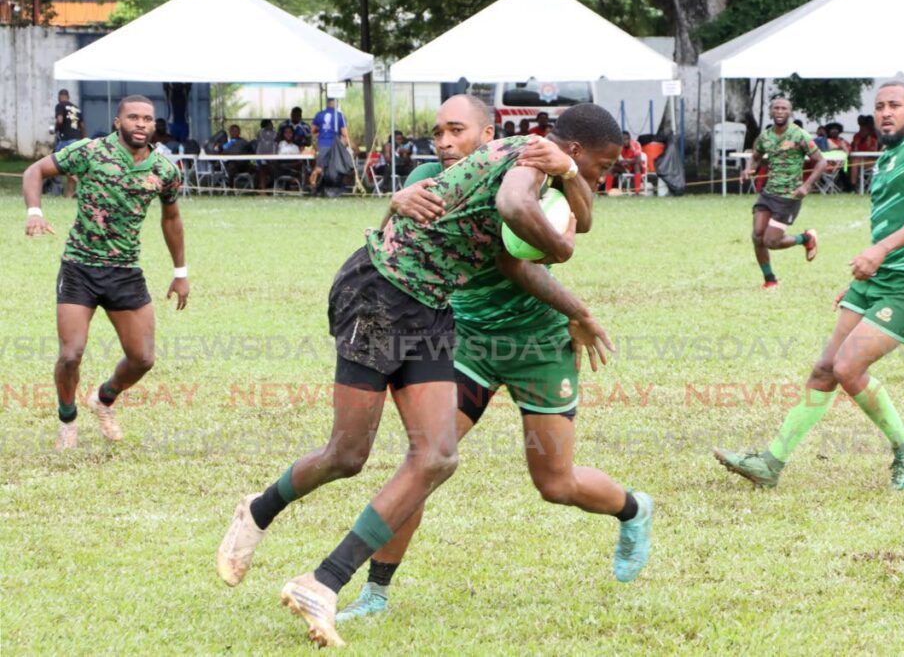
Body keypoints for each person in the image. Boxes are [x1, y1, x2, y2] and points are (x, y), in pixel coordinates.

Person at [214, 103, 624, 648]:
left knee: (438, 457)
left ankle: (322, 582)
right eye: (602, 164)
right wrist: (562, 245)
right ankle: (258, 510)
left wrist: (573, 179)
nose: (606, 173)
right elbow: (512, 203)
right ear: (572, 148)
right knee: (347, 455)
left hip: (430, 307)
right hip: (379, 293)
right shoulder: (526, 156)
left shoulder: (555, 166)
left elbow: (585, 217)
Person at [336, 97, 651, 623]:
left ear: (487, 136)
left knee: (555, 483)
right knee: (424, 466)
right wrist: (394, 201)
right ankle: (374, 595)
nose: (444, 141)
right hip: (468, 340)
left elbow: (529, 256)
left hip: (538, 344)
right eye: (439, 131)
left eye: (455, 130)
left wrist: (571, 179)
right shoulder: (431, 176)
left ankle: (634, 509)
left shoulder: (540, 179)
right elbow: (397, 242)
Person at [714, 81, 904, 492]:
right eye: (879, 106)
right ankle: (771, 463)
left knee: (847, 367)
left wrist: (879, 251)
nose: (886, 112)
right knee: (824, 369)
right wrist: (866, 271)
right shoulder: (889, 156)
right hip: (878, 278)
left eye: (895, 105)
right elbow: (892, 220)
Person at [22, 94, 188, 451]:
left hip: (125, 272)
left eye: (147, 118)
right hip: (80, 267)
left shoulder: (164, 170)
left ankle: (103, 399)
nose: (141, 124)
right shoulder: (90, 151)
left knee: (143, 359)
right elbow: (34, 171)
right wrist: (34, 211)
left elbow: (171, 218)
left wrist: (181, 271)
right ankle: (68, 420)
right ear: (118, 122)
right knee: (71, 354)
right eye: (133, 117)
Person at [740, 98, 827, 289]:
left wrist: (806, 186)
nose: (780, 111)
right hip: (768, 193)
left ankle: (805, 239)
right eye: (776, 108)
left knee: (771, 241)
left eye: (784, 108)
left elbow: (821, 162)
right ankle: (770, 280)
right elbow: (755, 156)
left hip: (789, 197)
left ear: (790, 112)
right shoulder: (765, 137)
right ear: (771, 112)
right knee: (757, 236)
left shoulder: (799, 135)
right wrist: (749, 169)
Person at [54, 89, 86, 197]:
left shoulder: (60, 105)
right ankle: (69, 196)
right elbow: (82, 126)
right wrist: (83, 141)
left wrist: (56, 129)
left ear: (60, 96)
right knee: (72, 167)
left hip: (65, 140)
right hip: (76, 140)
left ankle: (82, 184)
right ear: (68, 96)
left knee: (62, 165)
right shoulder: (76, 108)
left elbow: (59, 120)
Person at [312, 97, 355, 168]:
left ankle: (317, 176)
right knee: (335, 167)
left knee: (320, 168)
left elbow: (312, 130)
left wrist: (321, 130)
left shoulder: (319, 114)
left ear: (327, 104)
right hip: (336, 146)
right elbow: (344, 134)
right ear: (336, 103)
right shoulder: (340, 115)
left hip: (322, 145)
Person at [850, 114, 879, 189]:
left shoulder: (874, 137)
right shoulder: (857, 137)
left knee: (856, 162)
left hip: (872, 161)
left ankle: (854, 186)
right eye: (860, 128)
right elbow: (855, 150)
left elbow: (873, 152)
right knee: (854, 162)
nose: (861, 130)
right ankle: (853, 185)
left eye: (863, 129)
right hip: (861, 160)